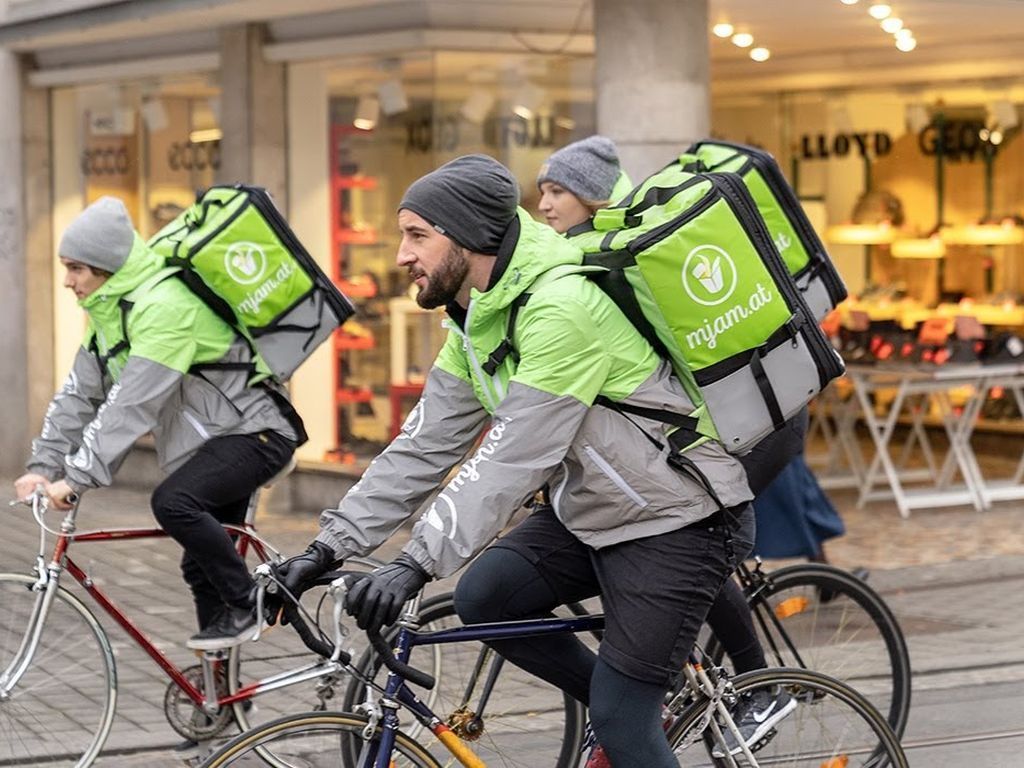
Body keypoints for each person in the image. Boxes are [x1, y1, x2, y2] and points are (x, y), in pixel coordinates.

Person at [275, 152, 759, 768]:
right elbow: (424, 446)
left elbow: (511, 458)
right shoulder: (477, 317)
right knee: (486, 600)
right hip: (598, 510)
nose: (401, 255)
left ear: (472, 238)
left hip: (678, 519)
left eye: (418, 235)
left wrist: (415, 564)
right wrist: (328, 548)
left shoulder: (562, 308)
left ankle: (629, 721)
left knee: (621, 717)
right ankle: (638, 716)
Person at [536, 135, 801, 762]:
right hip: (716, 423)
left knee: (692, 534)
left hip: (755, 425)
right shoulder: (597, 251)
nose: (543, 204)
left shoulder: (630, 250)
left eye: (556, 190)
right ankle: (663, 680)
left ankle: (757, 685)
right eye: (542, 190)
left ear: (593, 195)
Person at [13, 196, 300, 652]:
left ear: (105, 267)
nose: (67, 281)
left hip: (258, 434)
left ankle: (253, 602)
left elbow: (131, 406)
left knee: (174, 502)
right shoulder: (110, 316)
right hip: (218, 445)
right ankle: (221, 703)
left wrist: (77, 480)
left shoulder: (165, 307)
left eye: (75, 269)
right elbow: (77, 397)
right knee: (196, 565)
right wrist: (43, 466)